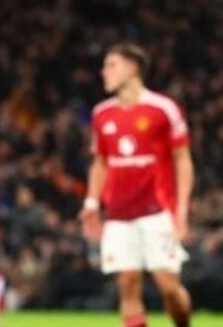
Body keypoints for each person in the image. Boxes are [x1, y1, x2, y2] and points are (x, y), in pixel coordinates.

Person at [78, 44, 194, 327]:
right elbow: (101, 163)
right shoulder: (101, 114)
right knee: (128, 284)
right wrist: (92, 202)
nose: (104, 72)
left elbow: (183, 161)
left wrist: (181, 211)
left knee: (168, 286)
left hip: (157, 210)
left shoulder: (163, 109)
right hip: (118, 213)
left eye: (111, 65)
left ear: (132, 69)